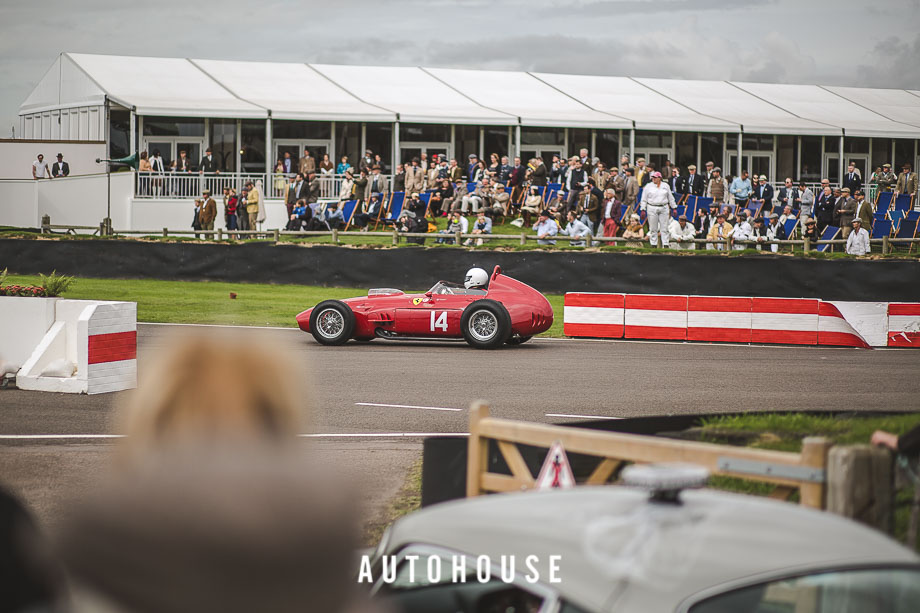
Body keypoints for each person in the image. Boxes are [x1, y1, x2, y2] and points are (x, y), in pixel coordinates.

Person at [639, 171, 677, 248]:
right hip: (652, 206)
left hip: (664, 206)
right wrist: (643, 209)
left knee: (664, 227)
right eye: (653, 177)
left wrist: (674, 207)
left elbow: (670, 197)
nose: (654, 179)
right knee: (653, 227)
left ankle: (665, 244)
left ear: (660, 178)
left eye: (655, 177)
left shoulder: (665, 185)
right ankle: (653, 244)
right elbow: (644, 198)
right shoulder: (648, 186)